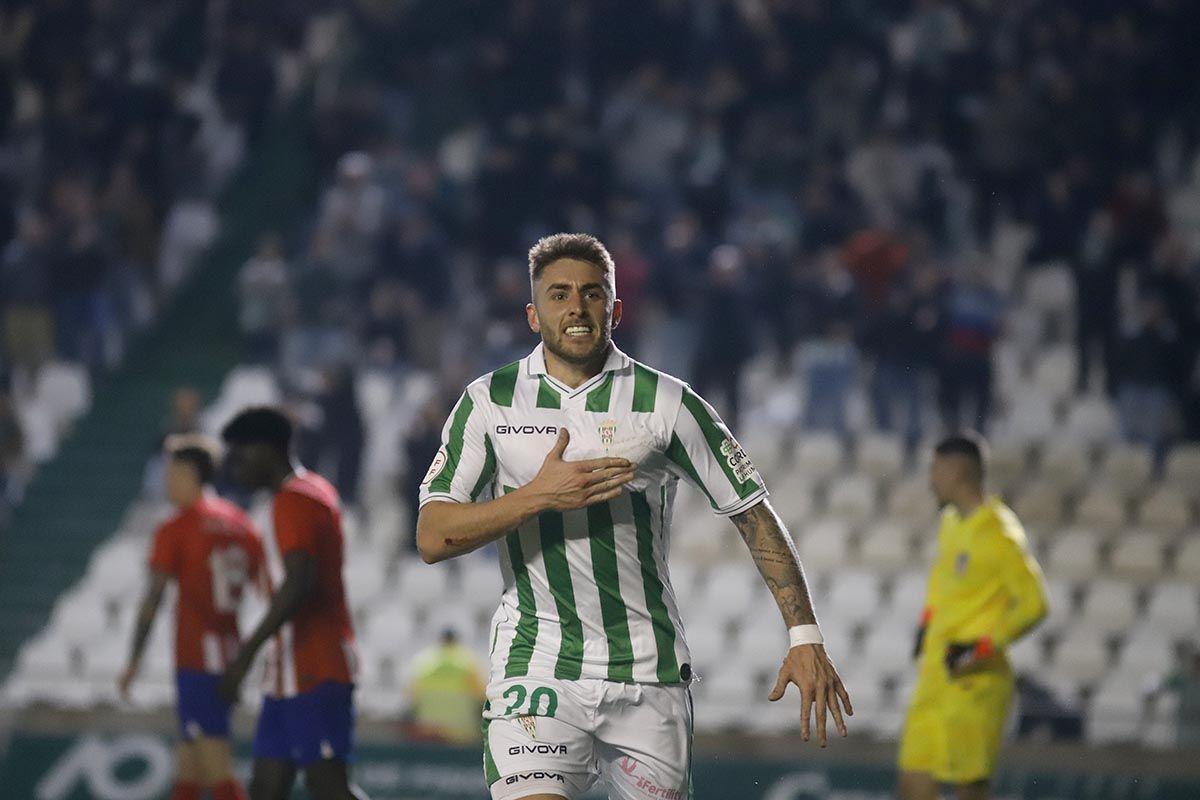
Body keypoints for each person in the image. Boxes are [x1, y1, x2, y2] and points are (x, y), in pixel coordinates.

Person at [416, 233, 851, 800]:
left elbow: (753, 513)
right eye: (559, 294)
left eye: (593, 294)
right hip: (539, 663)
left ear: (615, 309)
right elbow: (432, 536)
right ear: (532, 313)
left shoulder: (667, 402)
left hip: (648, 669)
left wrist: (805, 634)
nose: (576, 306)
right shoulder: (488, 401)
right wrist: (536, 497)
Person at [217, 407, 365, 800]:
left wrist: (244, 655)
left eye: (240, 453)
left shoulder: (294, 499)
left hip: (315, 664)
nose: (234, 466)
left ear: (267, 450)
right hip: (288, 670)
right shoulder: (311, 490)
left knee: (329, 786)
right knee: (266, 787)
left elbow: (299, 582)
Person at [898, 433, 1049, 800]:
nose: (931, 478)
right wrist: (926, 622)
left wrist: (979, 647)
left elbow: (1035, 604)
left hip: (974, 682)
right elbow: (942, 584)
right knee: (912, 778)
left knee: (970, 788)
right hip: (936, 675)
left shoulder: (999, 532)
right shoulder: (952, 522)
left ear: (957, 471)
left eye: (935, 468)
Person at [119, 434, 262, 800]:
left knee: (215, 767)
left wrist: (134, 660)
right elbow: (264, 589)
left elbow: (153, 599)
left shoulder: (178, 527)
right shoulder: (242, 524)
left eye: (170, 472)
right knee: (188, 763)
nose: (166, 481)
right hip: (229, 653)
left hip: (198, 657)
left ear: (188, 474)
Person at [406, 628, 487, 744]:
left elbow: (411, 698)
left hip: (428, 732)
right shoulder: (469, 662)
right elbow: (482, 697)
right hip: (461, 733)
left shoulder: (424, 663)